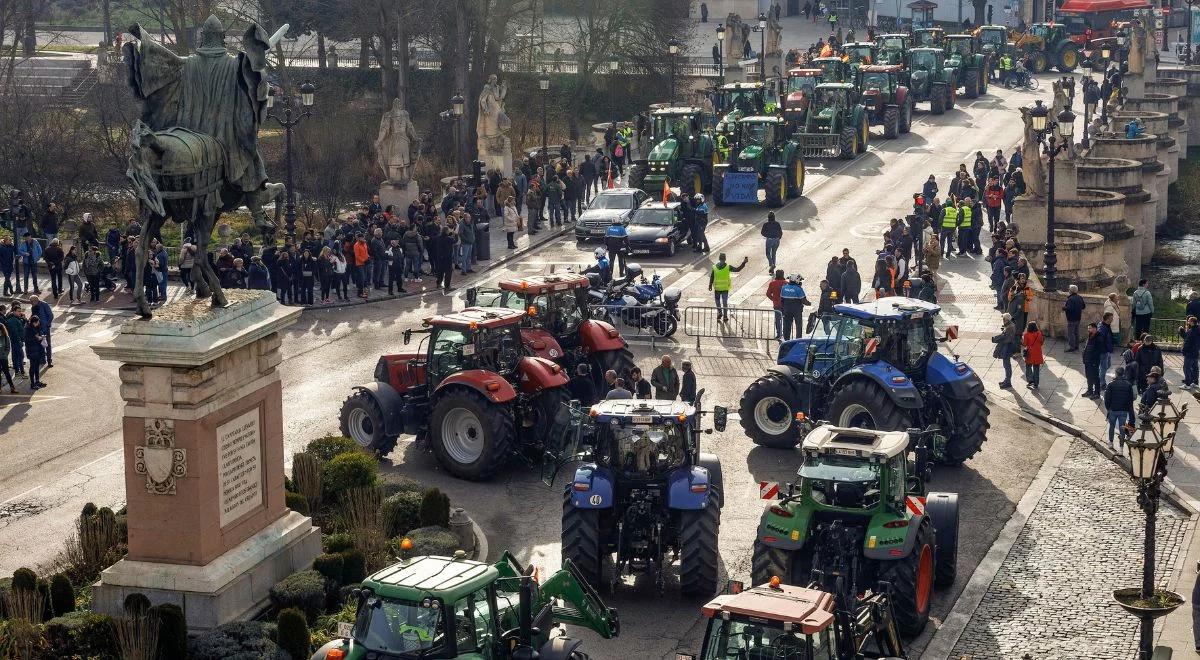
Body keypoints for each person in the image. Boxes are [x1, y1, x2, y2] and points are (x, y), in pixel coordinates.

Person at [709, 253, 749, 321]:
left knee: (717, 300)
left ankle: (719, 313)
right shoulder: (728, 267)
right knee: (725, 302)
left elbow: (712, 276)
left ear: (719, 258)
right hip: (725, 288)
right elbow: (737, 269)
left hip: (717, 288)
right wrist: (744, 263)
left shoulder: (715, 267)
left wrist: (710, 285)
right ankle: (725, 316)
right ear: (725, 259)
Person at [1103, 366, 1136, 450]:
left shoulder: (1111, 384)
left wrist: (1108, 408)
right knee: (1122, 429)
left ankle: (1110, 442)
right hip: (1123, 410)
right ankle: (1121, 448)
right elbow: (1130, 399)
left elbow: (1107, 398)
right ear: (1123, 373)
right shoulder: (1128, 385)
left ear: (1116, 374)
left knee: (1112, 426)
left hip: (1113, 409)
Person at [992, 313, 1019, 389]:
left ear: (1006, 320)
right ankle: (1006, 380)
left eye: (1003, 319)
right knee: (1006, 365)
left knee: (1007, 365)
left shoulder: (1010, 327)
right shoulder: (1009, 325)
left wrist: (995, 339)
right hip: (1007, 347)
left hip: (1007, 348)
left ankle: (1008, 382)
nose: (1003, 320)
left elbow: (1005, 338)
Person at [780, 274, 810, 340]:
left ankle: (786, 340)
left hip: (786, 309)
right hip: (797, 310)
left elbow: (781, 299)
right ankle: (798, 340)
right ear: (796, 280)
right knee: (798, 326)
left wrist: (782, 310)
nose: (800, 282)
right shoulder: (798, 289)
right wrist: (809, 303)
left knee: (787, 326)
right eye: (800, 281)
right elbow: (804, 300)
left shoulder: (784, 287)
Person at [29, 295, 52, 369]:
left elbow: (50, 315)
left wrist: (47, 325)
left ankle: (49, 361)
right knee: (40, 345)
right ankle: (42, 360)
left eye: (31, 302)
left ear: (35, 300)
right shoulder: (33, 307)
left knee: (47, 345)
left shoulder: (44, 305)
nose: (31, 304)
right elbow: (33, 316)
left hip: (45, 328)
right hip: (38, 329)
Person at [1061, 284, 1086, 352]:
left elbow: (1069, 308)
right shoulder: (1080, 297)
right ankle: (1076, 346)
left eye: (1069, 289)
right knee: (1076, 332)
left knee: (1071, 333)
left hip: (1071, 318)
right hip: (1078, 317)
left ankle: (1072, 347)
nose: (1068, 290)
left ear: (1071, 291)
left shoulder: (1070, 299)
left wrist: (1064, 308)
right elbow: (1083, 306)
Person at [24, 315, 46, 391]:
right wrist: (38, 338)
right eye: (38, 322)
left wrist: (40, 336)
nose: (39, 323)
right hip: (32, 351)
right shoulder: (28, 329)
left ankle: (37, 381)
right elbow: (28, 340)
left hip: (37, 350)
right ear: (34, 322)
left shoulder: (36, 327)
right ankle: (32, 384)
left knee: (37, 366)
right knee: (32, 367)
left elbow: (38, 334)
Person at [1082, 323, 1104, 398]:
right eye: (1088, 328)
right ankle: (1090, 390)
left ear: (1095, 328)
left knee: (1095, 377)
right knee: (1088, 376)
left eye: (1090, 328)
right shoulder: (1090, 335)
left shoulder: (1099, 337)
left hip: (1093, 361)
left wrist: (1092, 357)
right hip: (1087, 360)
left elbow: (1099, 350)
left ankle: (1097, 393)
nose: (1089, 330)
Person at [4, 304, 26, 379]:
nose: (20, 313)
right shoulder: (13, 320)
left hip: (16, 341)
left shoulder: (16, 318)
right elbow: (15, 332)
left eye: (20, 311)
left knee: (16, 356)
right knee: (20, 357)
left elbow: (20, 327)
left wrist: (23, 319)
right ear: (14, 311)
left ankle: (18, 372)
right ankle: (20, 372)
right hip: (16, 341)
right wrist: (20, 341)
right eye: (18, 311)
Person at [1022, 321, 1045, 390]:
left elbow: (1025, 344)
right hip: (1037, 353)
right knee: (1036, 368)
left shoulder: (1026, 335)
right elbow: (1041, 342)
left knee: (1028, 366)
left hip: (1030, 353)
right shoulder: (1039, 334)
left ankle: (1030, 380)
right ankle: (1036, 383)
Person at [1181, 316, 1200, 390]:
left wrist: (1183, 351)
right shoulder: (1198, 329)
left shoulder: (1191, 331)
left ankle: (1187, 384)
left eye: (1189, 321)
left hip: (1189, 353)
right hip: (1196, 352)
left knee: (1187, 368)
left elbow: (1187, 342)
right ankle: (1195, 382)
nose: (1187, 322)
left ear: (1192, 322)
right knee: (1195, 368)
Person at [0, 314, 13, 393]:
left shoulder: (5, 337)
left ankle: (12, 387)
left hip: (3, 357)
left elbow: (8, 348)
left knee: (6, 372)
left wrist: (4, 355)